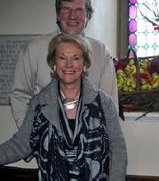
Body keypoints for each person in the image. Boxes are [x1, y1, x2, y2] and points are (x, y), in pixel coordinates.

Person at [0, 34, 127, 180]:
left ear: (84, 63)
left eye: (75, 58)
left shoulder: (103, 102)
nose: (68, 64)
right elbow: (21, 144)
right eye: (62, 57)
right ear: (54, 62)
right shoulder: (39, 103)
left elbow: (118, 148)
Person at [9, 0, 119, 129]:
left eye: (79, 10)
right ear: (58, 15)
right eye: (66, 9)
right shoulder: (34, 48)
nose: (72, 16)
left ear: (88, 16)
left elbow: (109, 100)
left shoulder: (100, 50)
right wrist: (30, 135)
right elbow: (19, 95)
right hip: (46, 138)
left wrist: (108, 137)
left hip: (90, 140)